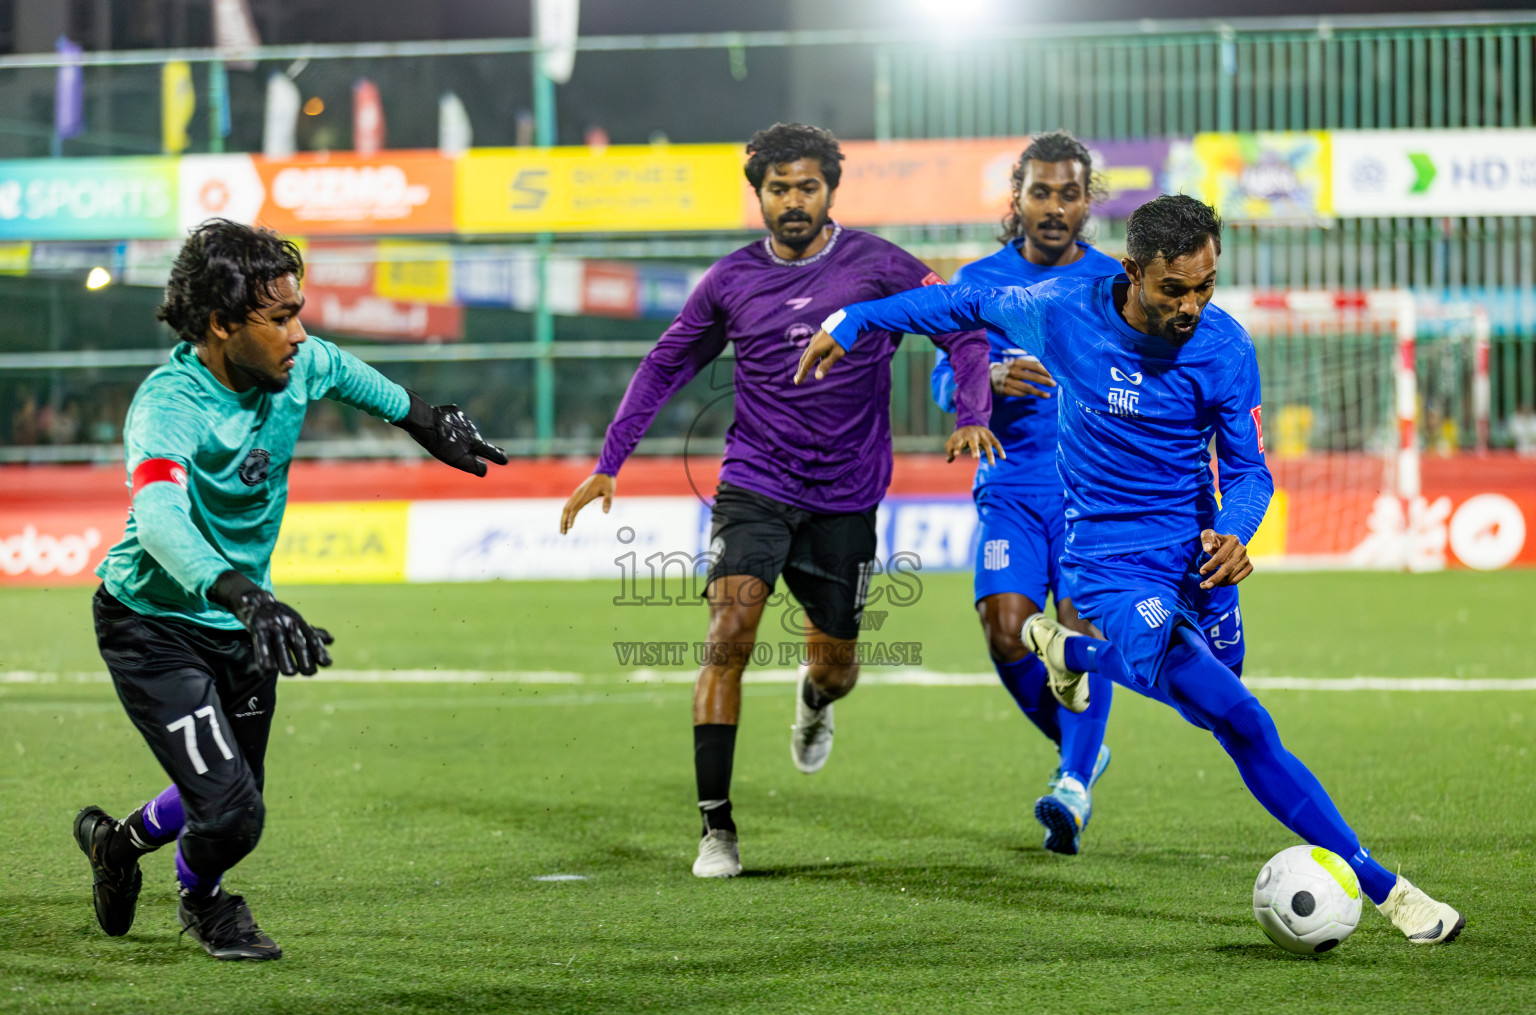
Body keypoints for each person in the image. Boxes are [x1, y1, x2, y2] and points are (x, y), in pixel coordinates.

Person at [799, 194, 1464, 945]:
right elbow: (956, 303)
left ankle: (1068, 650)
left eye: (1205, 285)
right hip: (1109, 564)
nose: (1191, 304)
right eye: (1173, 288)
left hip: (1195, 554)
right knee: (1239, 718)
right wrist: (851, 323)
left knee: (1217, 690)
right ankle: (1389, 891)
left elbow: (1249, 473)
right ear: (1132, 272)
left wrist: (1235, 532)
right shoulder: (1060, 311)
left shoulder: (1224, 347)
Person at [560, 123, 999, 879]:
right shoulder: (729, 281)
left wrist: (972, 412)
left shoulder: (878, 265)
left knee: (837, 668)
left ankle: (814, 699)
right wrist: (610, 461)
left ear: (830, 189)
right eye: (778, 188)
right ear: (758, 193)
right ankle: (716, 830)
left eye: (807, 187)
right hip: (755, 485)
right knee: (727, 632)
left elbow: (963, 326)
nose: (793, 201)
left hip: (846, 499)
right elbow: (665, 362)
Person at [74, 219, 508, 961]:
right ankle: (205, 902)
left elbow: (350, 374)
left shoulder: (298, 365)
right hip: (155, 624)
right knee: (234, 812)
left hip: (244, 620)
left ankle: (117, 845)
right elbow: (158, 519)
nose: (300, 333)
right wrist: (243, 592)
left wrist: (427, 422)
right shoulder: (168, 406)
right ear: (220, 323)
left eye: (298, 311)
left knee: (232, 793)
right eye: (280, 318)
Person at [930, 132, 1247, 855]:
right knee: (1005, 627)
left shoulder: (1123, 281)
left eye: (1068, 193)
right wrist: (983, 382)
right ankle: (1078, 744)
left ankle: (1073, 779)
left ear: (1086, 202)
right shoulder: (980, 278)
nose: (1053, 206)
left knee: (1080, 624)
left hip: (1090, 499)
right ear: (1018, 199)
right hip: (1010, 483)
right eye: (1040, 191)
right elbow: (943, 378)